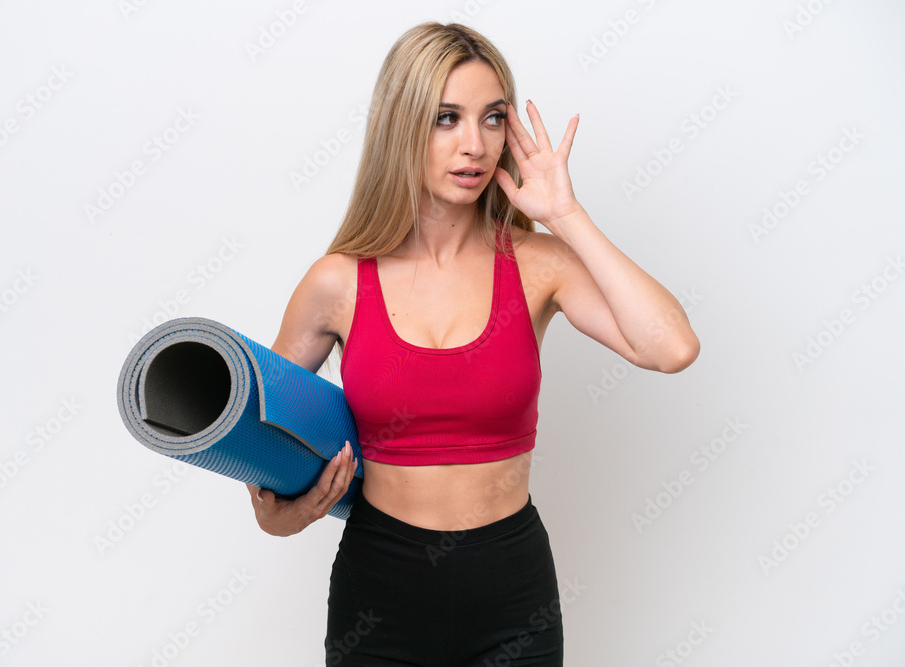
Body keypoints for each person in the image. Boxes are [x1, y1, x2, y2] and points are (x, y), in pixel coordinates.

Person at [246, 21, 700, 666]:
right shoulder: (338, 280)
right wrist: (279, 516)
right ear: (402, 126)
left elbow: (672, 347)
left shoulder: (541, 263)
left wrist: (565, 215)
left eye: (492, 119)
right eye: (446, 118)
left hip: (512, 590)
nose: (474, 145)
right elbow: (264, 433)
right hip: (378, 591)